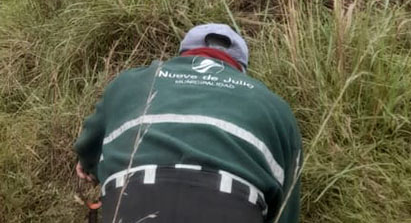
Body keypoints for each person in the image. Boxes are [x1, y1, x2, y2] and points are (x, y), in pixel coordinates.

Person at [74, 24, 302, 223]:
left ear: (184, 55)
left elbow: (88, 146)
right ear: (240, 69)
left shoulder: (132, 82)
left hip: (133, 197)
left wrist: (90, 166)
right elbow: (285, 209)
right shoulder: (273, 105)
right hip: (232, 204)